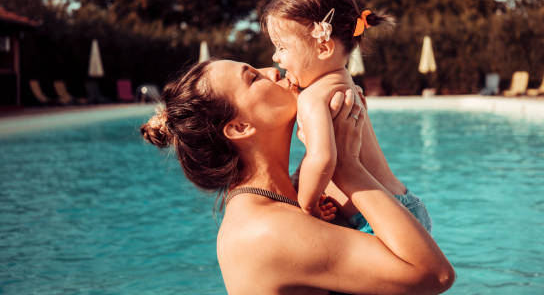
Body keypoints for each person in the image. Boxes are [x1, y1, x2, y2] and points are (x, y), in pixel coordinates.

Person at [141, 59, 454, 294]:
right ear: (239, 128)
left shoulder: (286, 195)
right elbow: (435, 275)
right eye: (253, 77)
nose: (273, 70)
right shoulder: (264, 230)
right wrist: (348, 166)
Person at [262, 0, 431, 233]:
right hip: (404, 205)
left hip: (375, 220)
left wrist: (307, 205)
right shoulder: (347, 85)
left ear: (323, 47)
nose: (276, 58)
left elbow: (323, 158)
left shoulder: (313, 98)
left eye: (283, 47)